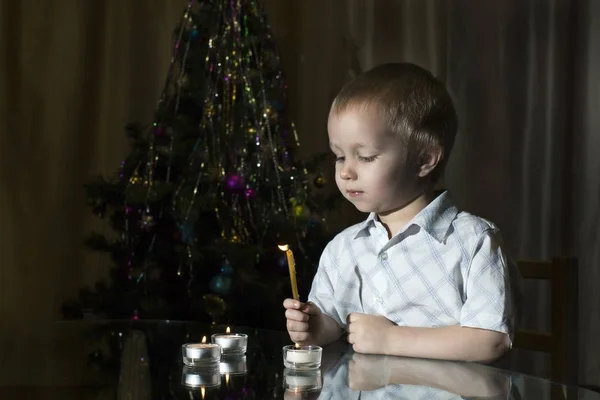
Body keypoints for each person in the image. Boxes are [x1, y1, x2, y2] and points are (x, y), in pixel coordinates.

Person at [283, 62, 520, 363]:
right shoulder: (343, 248)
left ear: (425, 159)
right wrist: (316, 327)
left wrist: (389, 338)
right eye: (339, 156)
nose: (345, 172)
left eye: (366, 156)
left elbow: (491, 341)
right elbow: (334, 321)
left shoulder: (475, 242)